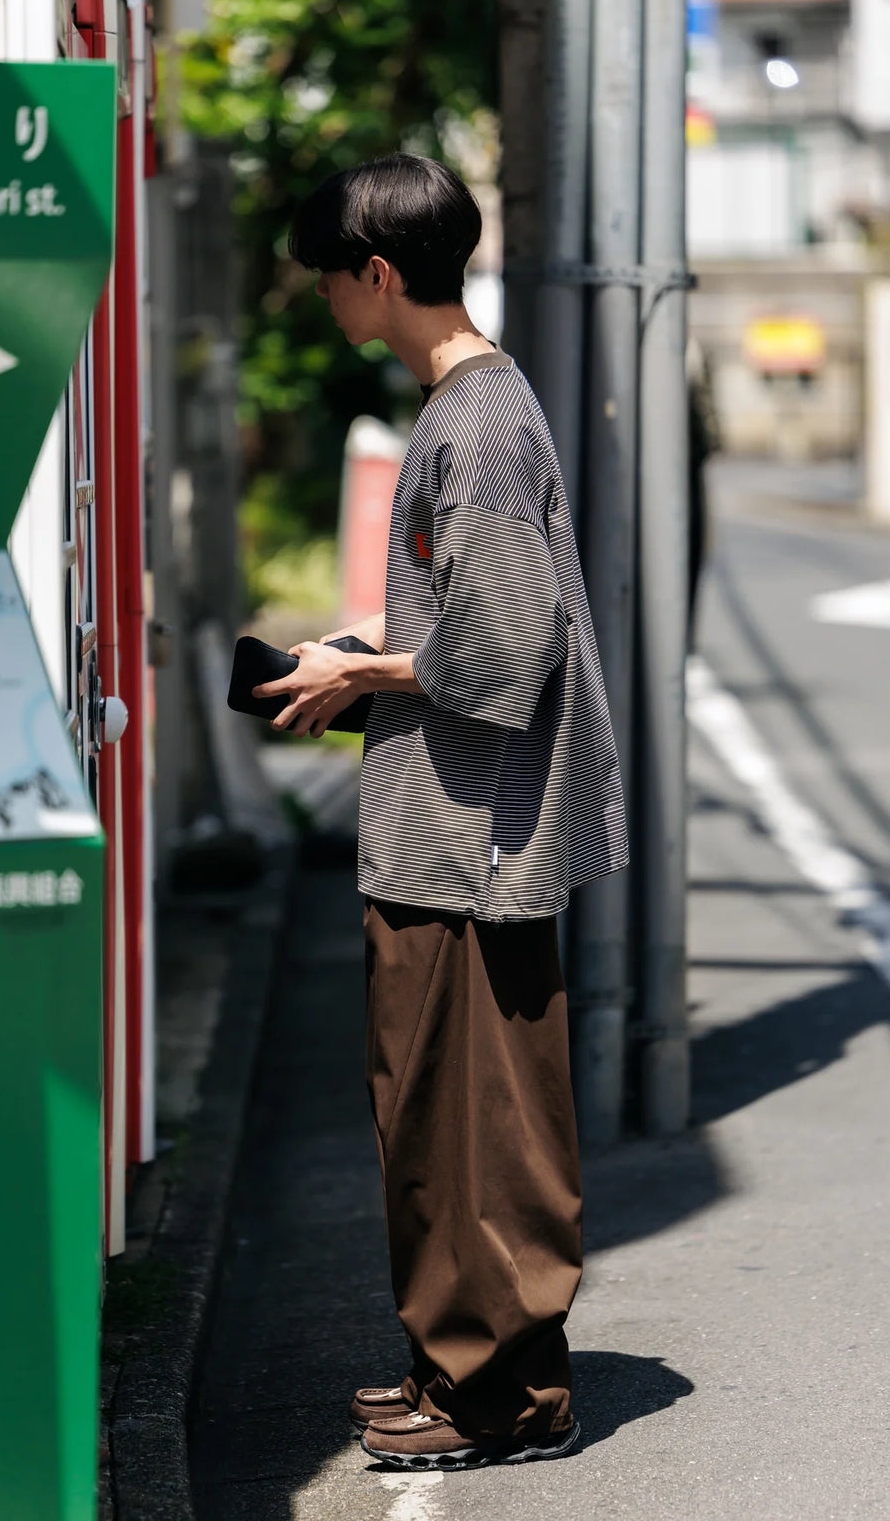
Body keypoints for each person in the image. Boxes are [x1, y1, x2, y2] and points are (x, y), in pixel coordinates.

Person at [254, 154, 628, 1472]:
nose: (322, 296)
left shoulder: (478, 428)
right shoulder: (473, 406)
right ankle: (454, 1369)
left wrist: (360, 673)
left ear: (378, 272)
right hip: (449, 825)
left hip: (475, 839)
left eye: (329, 275)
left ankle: (501, 1395)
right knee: (437, 1117)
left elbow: (502, 653)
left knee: (479, 1129)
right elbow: (462, 616)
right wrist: (354, 649)